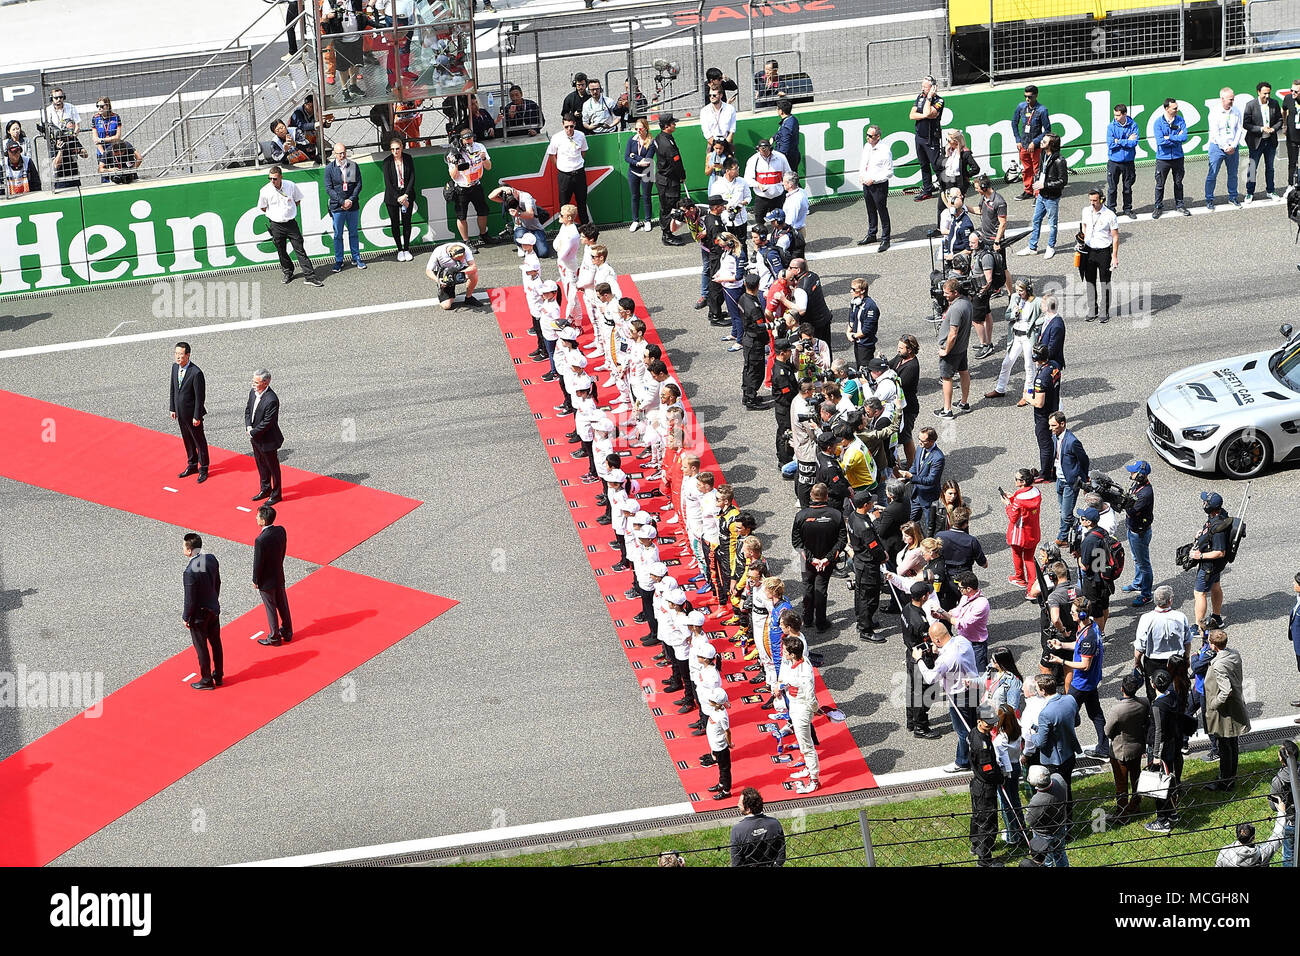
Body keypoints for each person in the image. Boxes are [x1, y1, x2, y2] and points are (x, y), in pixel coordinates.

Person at [915, 621, 979, 772]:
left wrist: (919, 660)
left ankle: (962, 762)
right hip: (975, 687)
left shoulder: (945, 660)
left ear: (937, 640)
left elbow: (930, 678)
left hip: (958, 694)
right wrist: (939, 651)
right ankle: (975, 754)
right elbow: (953, 655)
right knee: (973, 724)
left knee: (963, 730)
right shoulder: (963, 641)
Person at [1049, 596, 1108, 757]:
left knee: (1065, 715)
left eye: (1073, 611)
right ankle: (1103, 747)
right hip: (1091, 681)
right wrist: (1062, 645)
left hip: (1082, 683)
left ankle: (1065, 750)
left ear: (1082, 615)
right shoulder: (1090, 627)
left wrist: (1061, 661)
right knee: (1095, 714)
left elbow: (1084, 664)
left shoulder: (1088, 637)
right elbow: (1079, 646)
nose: (1070, 613)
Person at [791, 483, 846, 633]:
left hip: (807, 561)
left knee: (807, 587)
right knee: (821, 588)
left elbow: (796, 542)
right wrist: (826, 559)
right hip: (826, 561)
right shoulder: (836, 515)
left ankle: (807, 619)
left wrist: (811, 559)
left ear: (811, 496)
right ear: (826, 496)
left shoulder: (801, 515)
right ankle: (821, 622)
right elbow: (842, 541)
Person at [258, 166, 323, 287]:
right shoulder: (265, 191)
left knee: (300, 250)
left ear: (281, 177)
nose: (272, 181)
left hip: (291, 224)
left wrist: (289, 211)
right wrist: (275, 214)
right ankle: (288, 272)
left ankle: (310, 276)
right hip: (276, 225)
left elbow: (297, 200)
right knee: (281, 251)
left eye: (275, 179)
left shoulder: (290, 185)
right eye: (270, 178)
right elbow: (262, 207)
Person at [1204, 629, 1250, 791]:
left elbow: (1226, 691)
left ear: (1213, 645)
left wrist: (1213, 704)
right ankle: (1230, 777)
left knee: (1224, 745)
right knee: (1232, 743)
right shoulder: (1234, 654)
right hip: (1235, 705)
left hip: (1225, 710)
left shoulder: (1218, 664)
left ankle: (1225, 781)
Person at [1029, 673, 1082, 815]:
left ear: (1042, 691)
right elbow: (1077, 722)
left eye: (1037, 689)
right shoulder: (1070, 699)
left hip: (1054, 760)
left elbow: (1041, 742)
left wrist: (1033, 735)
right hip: (1069, 754)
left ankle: (1060, 821)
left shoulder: (1045, 713)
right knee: (1067, 789)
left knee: (1055, 792)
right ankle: (1068, 822)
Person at [1105, 673, 1151, 823]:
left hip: (1120, 751)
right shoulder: (1144, 703)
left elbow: (1107, 731)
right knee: (1136, 777)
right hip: (1137, 747)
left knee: (1121, 784)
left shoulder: (1117, 709)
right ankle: (1135, 804)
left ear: (1121, 688)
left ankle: (1122, 814)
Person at [1134, 585, 1191, 705]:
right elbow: (1187, 641)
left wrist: (1137, 661)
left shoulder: (1146, 618)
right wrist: (1186, 657)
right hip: (1176, 661)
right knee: (1178, 689)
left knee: (1154, 691)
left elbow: (1140, 646)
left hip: (1153, 663)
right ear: (1170, 600)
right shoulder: (1180, 617)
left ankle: (1156, 715)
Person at [182, 533, 222, 691]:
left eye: (184, 546)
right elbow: (217, 582)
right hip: (213, 609)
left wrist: (186, 617)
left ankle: (206, 679)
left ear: (190, 550)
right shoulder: (211, 559)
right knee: (216, 643)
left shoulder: (189, 572)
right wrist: (214, 600)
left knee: (202, 648)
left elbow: (190, 599)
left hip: (199, 615)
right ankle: (218, 675)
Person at [780, 634, 820, 793]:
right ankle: (808, 770)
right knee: (803, 742)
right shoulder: (795, 663)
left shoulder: (804, 672)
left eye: (785, 651)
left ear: (792, 654)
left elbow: (810, 695)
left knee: (807, 746)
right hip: (796, 707)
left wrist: (815, 709)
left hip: (802, 710)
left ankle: (814, 780)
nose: (783, 652)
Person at [1146, 669, 1183, 834]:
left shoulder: (1157, 705)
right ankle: (1173, 812)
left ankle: (1162, 821)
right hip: (1172, 744)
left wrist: (1155, 756)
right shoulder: (1172, 696)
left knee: (1158, 785)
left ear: (1153, 684)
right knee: (1169, 781)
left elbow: (1158, 731)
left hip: (1160, 749)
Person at [1018, 134, 1066, 258]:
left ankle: (1051, 247)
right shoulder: (1043, 154)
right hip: (1041, 194)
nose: (1041, 142)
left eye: (1044, 141)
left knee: (1052, 223)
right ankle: (1032, 247)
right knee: (1036, 220)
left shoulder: (1060, 160)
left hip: (1052, 197)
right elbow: (1040, 170)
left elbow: (1063, 181)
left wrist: (1044, 184)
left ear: (1051, 145)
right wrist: (1037, 180)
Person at [252, 504, 292, 646]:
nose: (256, 518)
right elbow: (283, 551)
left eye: (257, 516)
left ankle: (274, 637)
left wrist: (255, 579)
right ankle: (287, 631)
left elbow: (258, 563)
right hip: (278, 575)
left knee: (271, 608)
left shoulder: (260, 540)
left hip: (266, 581)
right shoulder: (281, 531)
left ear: (263, 521)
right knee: (282, 604)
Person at [968, 703, 1003, 865]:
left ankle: (976, 845)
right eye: (988, 722)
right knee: (987, 823)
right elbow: (988, 770)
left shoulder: (975, 733)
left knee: (978, 817)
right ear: (979, 721)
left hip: (977, 785)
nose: (991, 725)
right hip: (985, 787)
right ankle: (985, 859)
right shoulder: (982, 746)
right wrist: (1000, 777)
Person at [851, 124, 896, 251]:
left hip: (879, 185)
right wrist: (861, 175)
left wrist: (874, 179)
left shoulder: (884, 150)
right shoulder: (867, 147)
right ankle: (872, 234)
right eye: (867, 135)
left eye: (870, 136)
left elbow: (889, 172)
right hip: (867, 184)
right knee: (870, 209)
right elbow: (863, 163)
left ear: (878, 136)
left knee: (882, 210)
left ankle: (886, 239)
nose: (868, 138)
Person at [1078, 189, 1119, 323]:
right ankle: (1092, 310)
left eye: (1095, 200)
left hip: (1104, 252)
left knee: (1104, 282)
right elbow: (1084, 226)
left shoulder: (1110, 215)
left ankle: (1104, 311)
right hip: (1089, 251)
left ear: (1101, 199)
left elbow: (1115, 237)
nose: (1092, 203)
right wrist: (1082, 239)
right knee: (1090, 281)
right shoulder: (1086, 211)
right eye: (1090, 200)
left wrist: (1114, 256)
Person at [245, 368, 285, 505]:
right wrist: (248, 426)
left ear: (266, 383)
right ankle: (265, 488)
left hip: (268, 440)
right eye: (253, 381)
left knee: (273, 468)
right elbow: (248, 410)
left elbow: (267, 422)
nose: (253, 384)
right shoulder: (253, 392)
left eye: (256, 382)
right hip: (255, 438)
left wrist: (253, 432)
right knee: (261, 464)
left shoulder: (271, 400)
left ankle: (276, 493)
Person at [170, 342, 209, 482]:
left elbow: (200, 397)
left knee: (199, 441)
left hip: (193, 415)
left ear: (188, 355)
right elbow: (173, 389)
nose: (178, 357)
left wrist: (197, 415)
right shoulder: (175, 368)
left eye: (181, 354)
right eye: (176, 353)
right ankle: (192, 464)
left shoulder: (196, 372)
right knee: (187, 439)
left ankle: (203, 468)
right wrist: (172, 408)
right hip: (181, 413)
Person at [323, 142, 365, 273]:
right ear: (335, 154)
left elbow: (358, 184)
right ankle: (339, 260)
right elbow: (329, 188)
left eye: (344, 152)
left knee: (353, 232)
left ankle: (356, 257)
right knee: (338, 235)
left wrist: (351, 200)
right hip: (337, 207)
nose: (342, 155)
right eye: (339, 153)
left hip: (352, 206)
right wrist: (342, 201)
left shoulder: (352, 166)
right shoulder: (330, 168)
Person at [1191, 491, 1230, 630]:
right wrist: (1202, 534)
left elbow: (1220, 552)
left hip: (1209, 565)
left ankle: (1199, 626)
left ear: (1211, 507)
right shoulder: (1218, 515)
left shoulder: (1218, 528)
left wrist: (1199, 556)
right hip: (1215, 566)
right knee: (1215, 586)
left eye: (1205, 502)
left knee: (1199, 593)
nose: (1203, 504)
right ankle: (1217, 617)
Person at [447, 126, 492, 245]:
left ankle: (483, 235)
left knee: (483, 211)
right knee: (462, 216)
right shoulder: (454, 152)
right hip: (462, 188)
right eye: (466, 140)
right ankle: (466, 241)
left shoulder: (479, 147)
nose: (469, 142)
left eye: (471, 139)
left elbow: (488, 167)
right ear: (461, 140)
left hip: (476, 185)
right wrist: (456, 163)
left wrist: (483, 158)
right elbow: (453, 176)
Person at [935, 278, 972, 418]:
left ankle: (947, 410)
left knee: (946, 378)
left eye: (946, 293)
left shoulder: (956, 308)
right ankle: (964, 402)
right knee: (964, 372)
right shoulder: (966, 301)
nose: (944, 295)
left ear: (955, 292)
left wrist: (946, 350)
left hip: (952, 350)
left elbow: (952, 334)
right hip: (962, 347)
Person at [1048, 412, 1088, 545]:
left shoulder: (1072, 441)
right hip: (1059, 479)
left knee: (1066, 515)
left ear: (1062, 424)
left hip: (1070, 483)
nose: (1051, 428)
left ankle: (1085, 527)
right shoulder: (1056, 436)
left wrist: (1084, 479)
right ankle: (1063, 537)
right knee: (1062, 511)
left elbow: (1084, 460)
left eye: (1053, 425)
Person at [999, 468, 1041, 591]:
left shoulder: (1020, 499)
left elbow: (1013, 516)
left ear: (1022, 482)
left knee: (1019, 555)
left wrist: (1007, 504)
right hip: (1033, 531)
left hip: (1019, 534)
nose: (1015, 480)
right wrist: (1012, 499)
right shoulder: (1036, 492)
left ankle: (1020, 578)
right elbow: (1025, 509)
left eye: (1016, 479)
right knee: (1029, 557)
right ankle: (1032, 586)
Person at [1150, 97, 1192, 219]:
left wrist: (1170, 137)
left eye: (1177, 107)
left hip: (1178, 157)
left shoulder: (1180, 120)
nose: (1176, 110)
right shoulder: (1158, 123)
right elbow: (1161, 142)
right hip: (1163, 158)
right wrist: (1175, 138)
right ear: (1167, 108)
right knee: (1160, 184)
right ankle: (1158, 207)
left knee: (1178, 183)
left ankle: (1180, 205)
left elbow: (1184, 137)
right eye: (1174, 108)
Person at [1205, 85, 1245, 211]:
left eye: (1233, 99)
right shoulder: (1214, 112)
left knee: (1233, 174)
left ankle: (1233, 196)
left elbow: (1239, 129)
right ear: (1222, 99)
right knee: (1212, 174)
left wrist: (1233, 145)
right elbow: (1215, 132)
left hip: (1233, 148)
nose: (1232, 102)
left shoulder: (1236, 111)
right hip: (1217, 147)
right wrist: (1225, 146)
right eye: (1230, 99)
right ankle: (1209, 199)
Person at [1243, 80, 1283, 202]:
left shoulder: (1274, 103)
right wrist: (1261, 129)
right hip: (1256, 142)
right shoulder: (1250, 105)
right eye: (1264, 93)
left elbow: (1280, 120)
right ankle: (1250, 192)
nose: (1267, 96)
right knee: (1252, 167)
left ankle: (1270, 191)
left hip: (1270, 142)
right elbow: (1246, 124)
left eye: (1269, 93)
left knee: (1270, 168)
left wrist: (1273, 129)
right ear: (1258, 92)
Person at [547, 114, 590, 224]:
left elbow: (584, 150)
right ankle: (565, 228)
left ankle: (585, 227)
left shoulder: (581, 135)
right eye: (566, 127)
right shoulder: (557, 137)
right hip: (564, 175)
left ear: (574, 124)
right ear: (563, 125)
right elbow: (551, 154)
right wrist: (559, 166)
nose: (569, 129)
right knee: (564, 204)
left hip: (579, 173)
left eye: (571, 126)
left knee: (582, 201)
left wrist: (577, 162)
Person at [1024, 764, 1069, 866]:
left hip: (1044, 834)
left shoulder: (1038, 800)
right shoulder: (1059, 779)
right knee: (1060, 853)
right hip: (1060, 826)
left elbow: (1030, 819)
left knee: (1046, 860)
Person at [1012, 85, 1050, 202]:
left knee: (1037, 170)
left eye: (1030, 96)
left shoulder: (1042, 110)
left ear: (1036, 95)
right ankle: (1028, 191)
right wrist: (1017, 139)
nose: (1027, 99)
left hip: (1036, 146)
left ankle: (1038, 194)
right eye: (1025, 96)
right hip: (1023, 144)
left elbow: (1047, 130)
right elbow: (1014, 122)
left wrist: (1035, 142)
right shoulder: (1021, 106)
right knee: (1026, 169)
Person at [729, 787, 786, 866]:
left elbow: (736, 861)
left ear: (748, 809)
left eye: (740, 804)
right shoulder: (775, 824)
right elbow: (781, 854)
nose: (737, 805)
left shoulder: (737, 830)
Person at [653, 115, 687, 245]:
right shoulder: (667, 144)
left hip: (663, 180)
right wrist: (682, 175)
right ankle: (667, 236)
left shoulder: (659, 137)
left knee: (666, 208)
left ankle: (667, 233)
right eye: (673, 123)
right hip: (669, 182)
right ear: (666, 126)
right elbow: (676, 163)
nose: (675, 125)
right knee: (669, 208)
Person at [909, 75, 944, 202]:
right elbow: (912, 115)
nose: (923, 89)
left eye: (926, 87)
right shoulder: (920, 97)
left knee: (936, 165)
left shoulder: (939, 101)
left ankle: (946, 188)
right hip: (919, 137)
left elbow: (930, 113)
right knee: (924, 165)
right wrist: (924, 114)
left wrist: (929, 99)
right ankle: (927, 190)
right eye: (922, 86)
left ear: (933, 88)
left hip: (931, 138)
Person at [934, 130, 980, 222]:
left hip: (958, 183)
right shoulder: (946, 150)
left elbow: (976, 168)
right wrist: (946, 155)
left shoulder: (965, 153)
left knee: (957, 207)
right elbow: (938, 164)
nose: (947, 142)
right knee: (941, 206)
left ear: (956, 141)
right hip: (946, 181)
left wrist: (966, 175)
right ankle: (940, 228)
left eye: (949, 140)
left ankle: (959, 225)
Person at [1104, 104, 1140, 218]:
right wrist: (1125, 141)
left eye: (1118, 115)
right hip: (1114, 162)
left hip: (1128, 162)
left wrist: (1118, 141)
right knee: (1112, 188)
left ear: (1124, 114)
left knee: (1127, 187)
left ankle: (1127, 209)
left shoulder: (1133, 125)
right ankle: (1111, 209)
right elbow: (1111, 144)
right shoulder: (1111, 127)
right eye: (1114, 115)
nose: (1115, 117)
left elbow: (1134, 143)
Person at [745, 139, 792, 224]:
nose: (764, 154)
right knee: (759, 223)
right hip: (761, 197)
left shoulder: (781, 157)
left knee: (779, 222)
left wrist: (786, 188)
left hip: (778, 197)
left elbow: (788, 174)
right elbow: (747, 179)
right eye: (762, 151)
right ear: (758, 149)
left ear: (770, 148)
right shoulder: (753, 160)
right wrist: (758, 185)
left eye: (766, 150)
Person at [425, 241, 481, 310]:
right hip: (445, 273)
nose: (462, 260)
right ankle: (444, 291)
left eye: (463, 258)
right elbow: (428, 271)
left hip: (460, 270)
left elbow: (473, 266)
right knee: (446, 306)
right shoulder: (438, 252)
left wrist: (460, 273)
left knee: (474, 273)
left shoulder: (465, 249)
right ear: (450, 255)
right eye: (458, 259)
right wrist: (438, 280)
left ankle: (469, 298)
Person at [624, 117, 656, 233]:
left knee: (647, 197)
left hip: (647, 173)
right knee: (634, 196)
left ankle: (648, 221)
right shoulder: (631, 140)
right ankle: (635, 220)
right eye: (636, 128)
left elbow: (648, 160)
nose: (638, 131)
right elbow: (626, 157)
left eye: (640, 129)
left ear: (646, 129)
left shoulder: (651, 142)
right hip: (633, 172)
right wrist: (637, 161)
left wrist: (634, 156)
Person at [704, 686, 732, 800]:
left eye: (711, 700)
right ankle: (721, 784)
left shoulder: (722, 716)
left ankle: (726, 790)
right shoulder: (715, 709)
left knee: (724, 768)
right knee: (720, 767)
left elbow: (727, 731)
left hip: (721, 747)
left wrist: (729, 743)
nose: (709, 701)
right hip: (715, 745)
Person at [773, 98, 802, 174]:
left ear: (781, 111)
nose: (776, 110)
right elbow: (781, 133)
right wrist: (774, 137)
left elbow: (785, 145)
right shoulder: (793, 119)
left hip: (788, 158)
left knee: (789, 180)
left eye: (777, 108)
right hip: (794, 155)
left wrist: (778, 157)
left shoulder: (786, 126)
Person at [1284, 79, 1300, 188]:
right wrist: (1285, 125)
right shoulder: (1288, 98)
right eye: (1291, 90)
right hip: (1292, 136)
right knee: (1292, 163)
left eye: (1296, 91)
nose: (1293, 93)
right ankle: (1290, 185)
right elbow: (1283, 110)